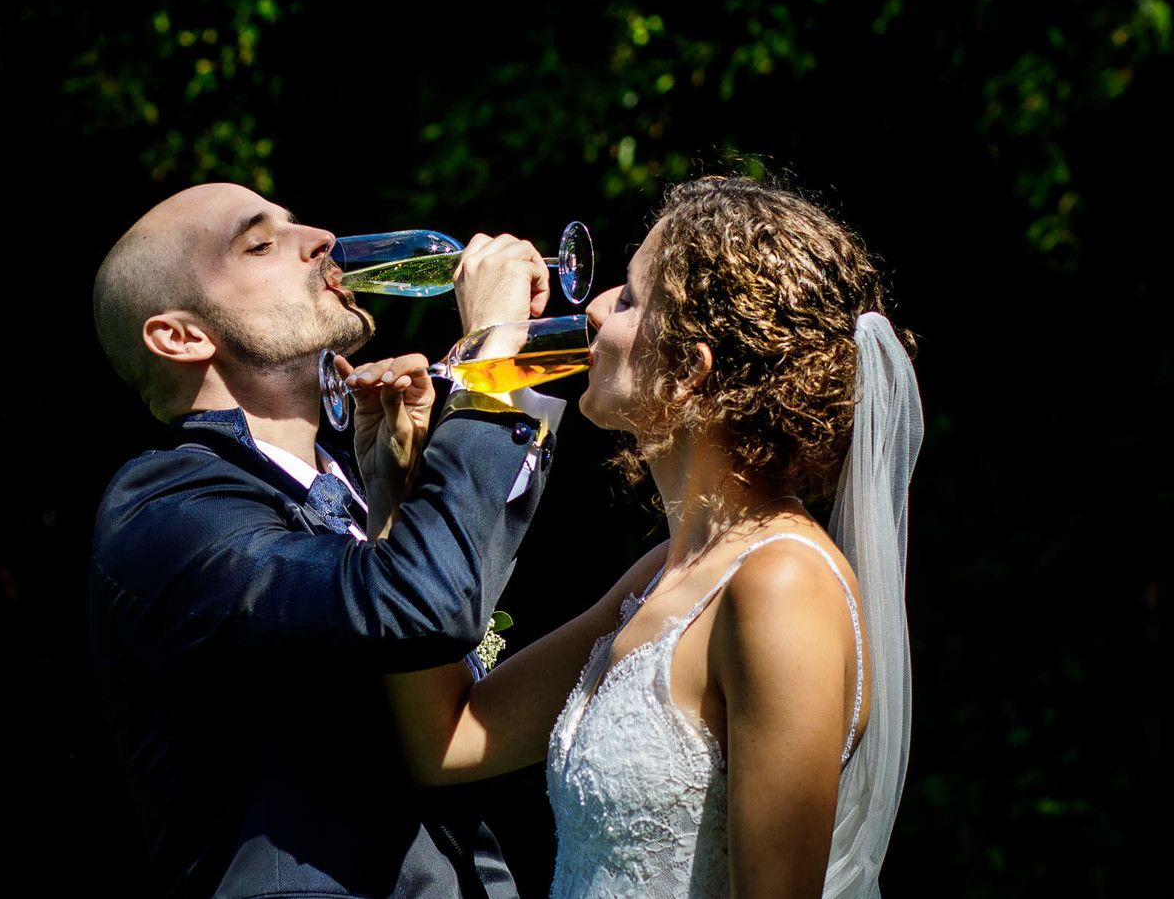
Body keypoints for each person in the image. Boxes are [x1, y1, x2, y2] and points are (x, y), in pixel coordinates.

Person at [382, 177, 921, 898]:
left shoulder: (781, 585)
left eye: (630, 298)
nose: (596, 308)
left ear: (689, 372)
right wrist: (394, 495)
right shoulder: (655, 579)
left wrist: (487, 354)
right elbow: (445, 738)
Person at [89, 182, 568, 899]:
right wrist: (490, 361)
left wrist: (393, 508)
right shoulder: (162, 508)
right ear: (183, 336)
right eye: (259, 242)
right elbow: (423, 603)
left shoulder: (355, 487)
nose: (320, 238)